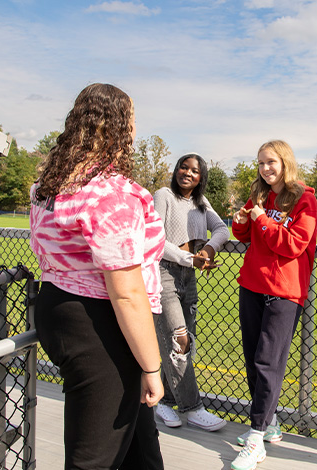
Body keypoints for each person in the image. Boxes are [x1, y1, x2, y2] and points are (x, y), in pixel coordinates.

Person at [29, 83, 165, 470]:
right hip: (101, 323)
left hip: (59, 306)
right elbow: (127, 293)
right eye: (133, 119)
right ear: (120, 125)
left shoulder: (49, 185)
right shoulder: (110, 194)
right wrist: (152, 368)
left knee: (140, 442)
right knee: (95, 457)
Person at [230, 140, 317, 470]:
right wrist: (243, 218)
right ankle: (270, 423)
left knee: (269, 361)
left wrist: (262, 220)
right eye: (261, 163)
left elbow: (294, 244)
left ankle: (256, 438)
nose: (266, 168)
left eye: (272, 162)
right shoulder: (260, 197)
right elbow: (244, 236)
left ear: (285, 163)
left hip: (284, 290)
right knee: (254, 358)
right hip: (252, 284)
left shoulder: (304, 198)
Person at [152, 153, 229, 431]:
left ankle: (163, 401)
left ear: (201, 177)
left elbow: (222, 229)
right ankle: (193, 408)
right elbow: (155, 239)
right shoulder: (163, 195)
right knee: (178, 339)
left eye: (195, 170)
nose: (188, 173)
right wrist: (189, 259)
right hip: (165, 273)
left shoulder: (200, 203)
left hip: (189, 278)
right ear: (176, 170)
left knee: (184, 344)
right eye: (183, 167)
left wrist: (207, 250)